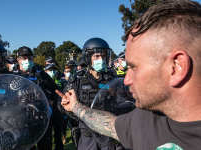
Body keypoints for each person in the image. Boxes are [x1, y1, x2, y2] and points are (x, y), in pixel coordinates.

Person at [57, 1, 201, 150]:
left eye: (134, 67)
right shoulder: (141, 123)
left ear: (177, 66)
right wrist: (76, 107)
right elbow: (111, 125)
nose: (126, 79)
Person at [60, 37, 116, 150]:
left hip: (109, 135)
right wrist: (65, 105)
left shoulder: (112, 78)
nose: (101, 59)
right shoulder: (78, 80)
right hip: (88, 136)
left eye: (104, 56)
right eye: (97, 56)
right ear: (88, 57)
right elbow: (63, 106)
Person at [15, 46, 59, 150]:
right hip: (22, 121)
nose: (27, 61)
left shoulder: (41, 74)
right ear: (18, 59)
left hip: (41, 118)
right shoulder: (13, 75)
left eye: (29, 58)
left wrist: (51, 105)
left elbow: (55, 89)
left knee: (45, 146)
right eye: (24, 58)